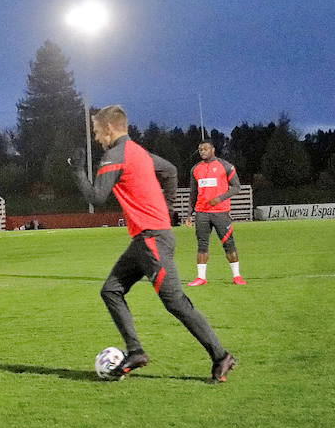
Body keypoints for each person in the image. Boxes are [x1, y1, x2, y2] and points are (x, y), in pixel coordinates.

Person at [74, 104, 237, 382]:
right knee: (111, 290)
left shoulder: (115, 156)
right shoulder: (139, 152)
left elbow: (97, 197)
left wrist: (77, 171)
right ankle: (135, 351)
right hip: (145, 239)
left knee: (176, 303)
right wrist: (167, 207)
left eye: (98, 131)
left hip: (152, 241)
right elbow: (171, 170)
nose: (97, 137)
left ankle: (221, 356)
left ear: (111, 128)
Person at [187, 141, 247, 286]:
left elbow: (236, 187)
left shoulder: (225, 166)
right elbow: (193, 193)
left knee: (228, 243)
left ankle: (237, 276)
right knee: (202, 245)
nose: (202, 151)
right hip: (202, 213)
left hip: (221, 212)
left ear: (213, 150)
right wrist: (190, 214)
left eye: (205, 149)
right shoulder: (195, 169)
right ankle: (201, 277)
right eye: (200, 149)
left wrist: (220, 199)